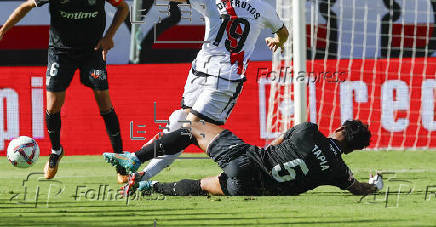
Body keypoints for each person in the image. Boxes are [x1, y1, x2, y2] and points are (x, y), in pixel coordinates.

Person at [111, 0, 289, 181]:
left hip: (200, 71)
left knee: (184, 124)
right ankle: (139, 169)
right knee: (186, 127)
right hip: (225, 78)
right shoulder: (263, 7)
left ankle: (137, 167)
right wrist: (277, 41)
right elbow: (283, 32)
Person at [0, 0, 130, 182]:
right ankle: (56, 150)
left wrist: (109, 36)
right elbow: (24, 7)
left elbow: (123, 7)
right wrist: (2, 31)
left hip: (92, 53)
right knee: (53, 105)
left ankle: (121, 160)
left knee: (104, 102)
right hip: (61, 53)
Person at [103, 120, 383, 197]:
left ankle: (134, 160)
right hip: (258, 189)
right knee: (203, 186)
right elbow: (359, 188)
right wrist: (376, 185)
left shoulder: (310, 130)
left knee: (191, 128)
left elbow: (275, 142)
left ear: (339, 129)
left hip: (248, 159)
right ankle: (145, 188)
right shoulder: (339, 171)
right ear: (353, 150)